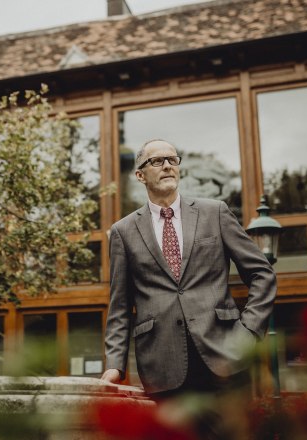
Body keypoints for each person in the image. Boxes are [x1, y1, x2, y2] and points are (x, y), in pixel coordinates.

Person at [101, 139, 276, 400]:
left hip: (225, 356)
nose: (168, 166)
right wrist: (115, 364)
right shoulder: (123, 232)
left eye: (173, 160)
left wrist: (249, 332)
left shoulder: (215, 212)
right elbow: (120, 306)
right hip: (161, 366)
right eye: (157, 161)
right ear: (140, 175)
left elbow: (262, 273)